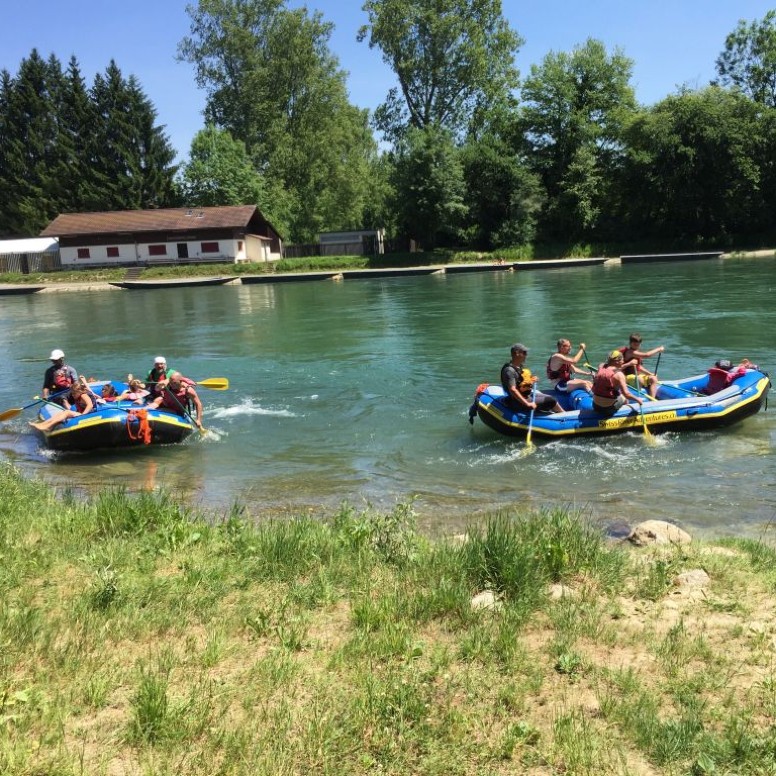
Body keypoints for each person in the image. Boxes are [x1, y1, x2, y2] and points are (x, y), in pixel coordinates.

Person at [501, 343, 563, 414]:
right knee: (552, 400)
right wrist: (527, 404)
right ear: (517, 353)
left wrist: (531, 380)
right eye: (524, 353)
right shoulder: (509, 371)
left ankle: (563, 414)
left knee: (550, 397)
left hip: (526, 395)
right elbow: (513, 389)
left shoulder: (518, 367)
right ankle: (563, 415)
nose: (526, 355)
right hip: (519, 401)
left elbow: (521, 382)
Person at [592, 351, 644, 415]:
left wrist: (629, 364)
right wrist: (638, 400)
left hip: (595, 406)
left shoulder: (601, 367)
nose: (623, 362)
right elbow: (627, 394)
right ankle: (624, 414)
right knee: (624, 399)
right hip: (608, 409)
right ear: (617, 361)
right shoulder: (619, 375)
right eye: (622, 360)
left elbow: (610, 367)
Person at [29, 381, 94, 431]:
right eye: (72, 393)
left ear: (80, 391)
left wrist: (83, 415)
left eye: (74, 393)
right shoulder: (78, 397)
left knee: (67, 412)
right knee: (62, 413)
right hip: (83, 413)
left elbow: (90, 405)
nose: (73, 395)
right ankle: (43, 424)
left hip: (88, 414)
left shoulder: (83, 395)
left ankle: (47, 426)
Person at [617, 333, 665, 398]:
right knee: (639, 379)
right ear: (630, 343)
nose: (636, 346)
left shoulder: (636, 352)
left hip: (636, 376)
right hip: (627, 377)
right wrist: (658, 349)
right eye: (634, 344)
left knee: (653, 379)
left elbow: (639, 367)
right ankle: (638, 398)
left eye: (638, 344)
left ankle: (652, 400)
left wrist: (650, 374)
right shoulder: (630, 352)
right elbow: (647, 355)